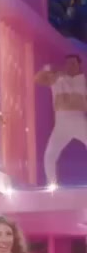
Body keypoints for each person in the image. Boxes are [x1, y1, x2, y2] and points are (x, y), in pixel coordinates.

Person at [36, 55, 87, 187]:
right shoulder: (58, 79)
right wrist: (47, 69)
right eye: (68, 63)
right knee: (50, 155)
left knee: (50, 155)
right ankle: (53, 185)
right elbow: (37, 79)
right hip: (61, 123)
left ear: (79, 65)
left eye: (73, 63)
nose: (70, 66)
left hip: (79, 120)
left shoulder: (83, 81)